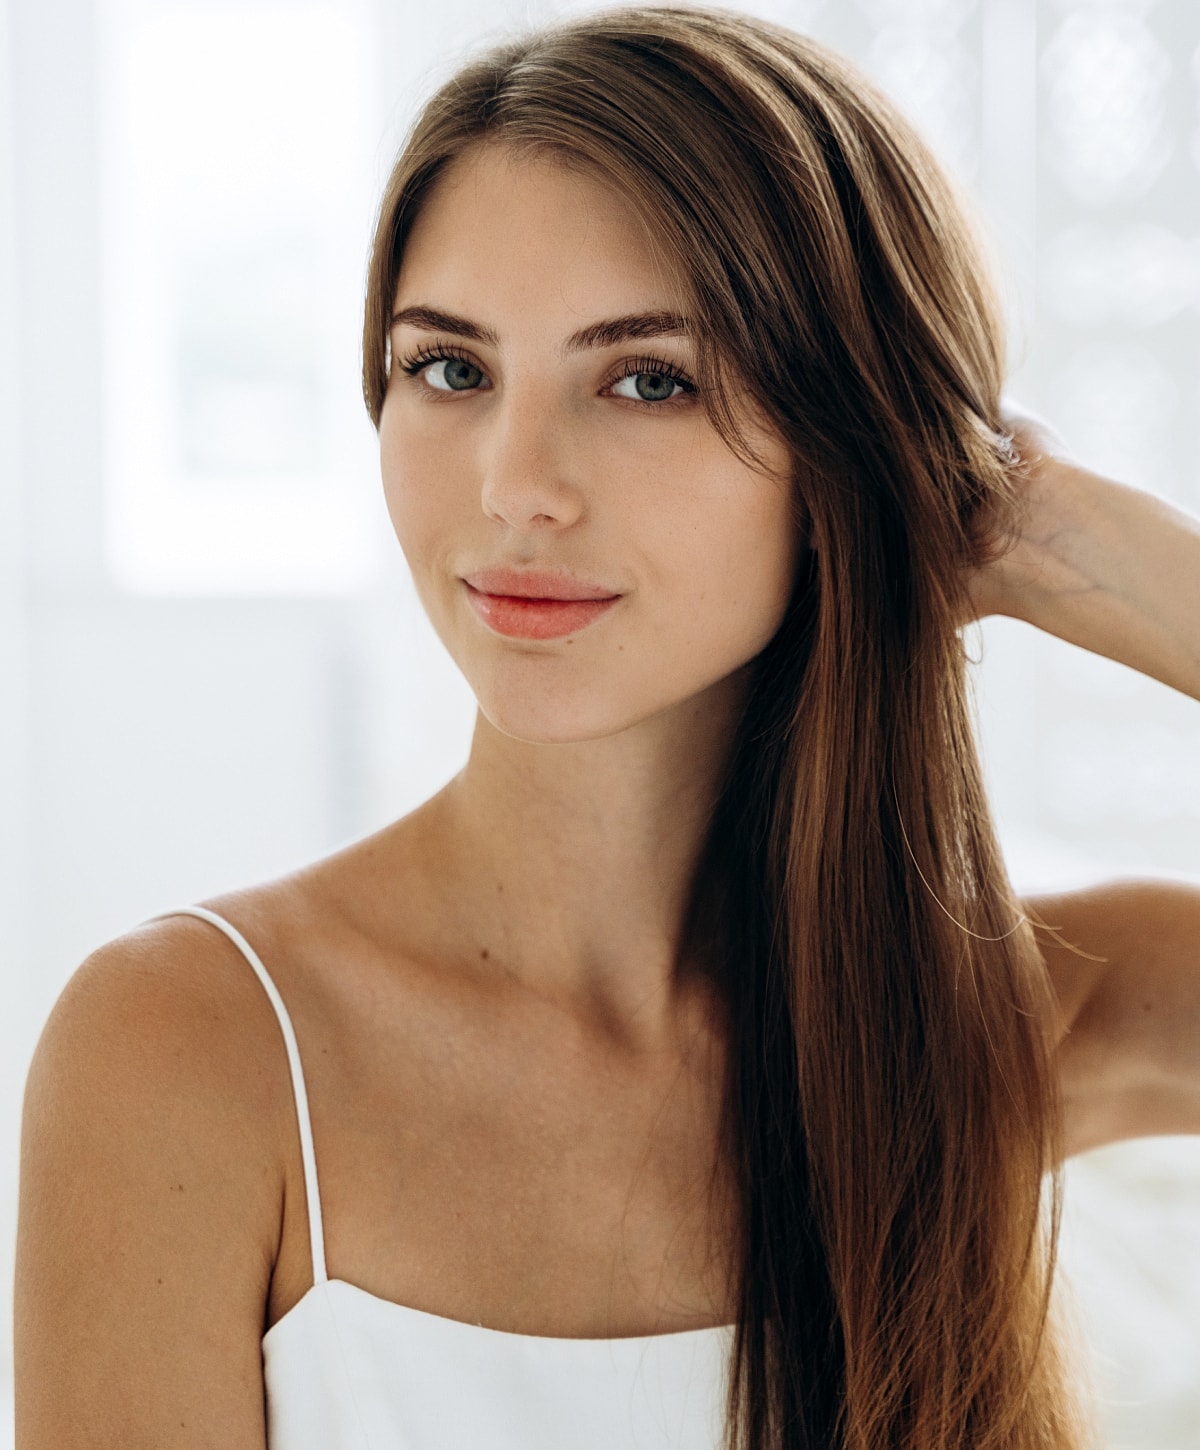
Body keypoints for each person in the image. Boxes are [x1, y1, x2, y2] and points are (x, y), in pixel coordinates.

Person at [14, 5, 1200, 1447]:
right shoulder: (188, 1051)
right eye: (450, 368)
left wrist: (1067, 542)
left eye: (648, 378)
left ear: (852, 443)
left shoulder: (998, 1019)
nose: (516, 484)